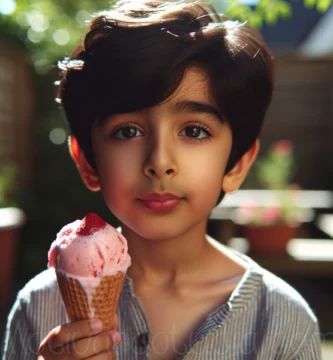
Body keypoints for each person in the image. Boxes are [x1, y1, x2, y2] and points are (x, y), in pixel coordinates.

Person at [2, 1, 321, 359]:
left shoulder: (282, 323)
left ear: (236, 165)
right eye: (127, 132)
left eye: (195, 131)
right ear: (87, 161)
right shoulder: (39, 309)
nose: (159, 162)